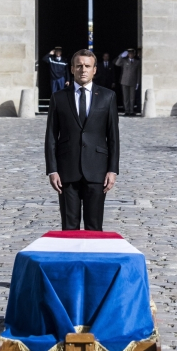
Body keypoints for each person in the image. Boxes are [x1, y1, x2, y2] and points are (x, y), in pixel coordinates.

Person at [45, 48, 119, 231]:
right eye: (79, 66)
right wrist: (52, 170)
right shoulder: (59, 97)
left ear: (94, 70)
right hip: (67, 170)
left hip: (97, 170)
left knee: (94, 227)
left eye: (87, 66)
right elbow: (51, 136)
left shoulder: (107, 97)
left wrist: (113, 169)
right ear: (72, 69)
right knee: (69, 227)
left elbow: (113, 137)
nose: (83, 70)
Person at [114, 48, 140, 116]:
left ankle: (131, 111)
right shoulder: (124, 60)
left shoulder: (137, 62)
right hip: (124, 81)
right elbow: (117, 64)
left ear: (134, 54)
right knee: (126, 97)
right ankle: (126, 110)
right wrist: (121, 56)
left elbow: (138, 73)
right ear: (128, 55)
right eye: (129, 54)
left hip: (133, 81)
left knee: (132, 97)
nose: (130, 55)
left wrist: (138, 82)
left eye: (132, 53)